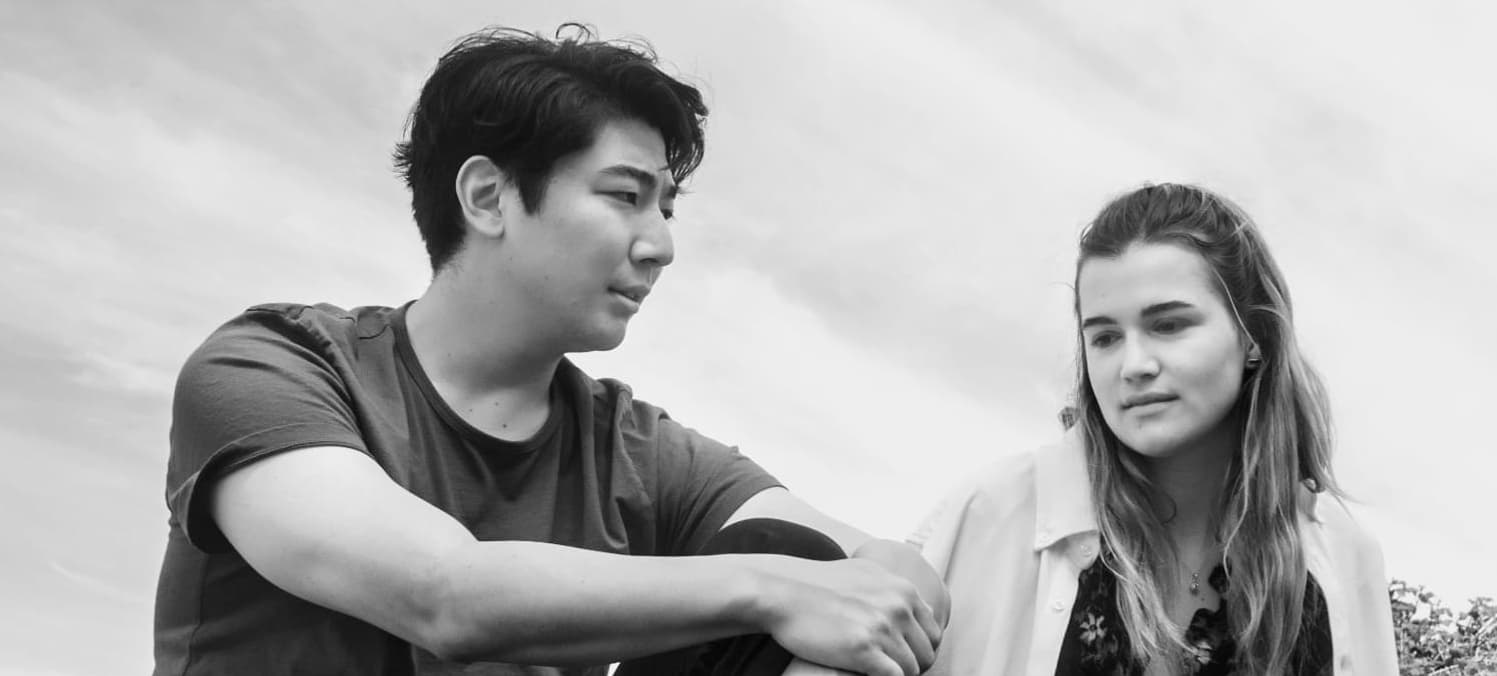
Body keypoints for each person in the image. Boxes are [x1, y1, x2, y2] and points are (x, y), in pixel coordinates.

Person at [154, 24, 945, 676]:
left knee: (802, 556)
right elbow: (445, 598)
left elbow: (878, 570)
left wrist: (873, 583)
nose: (661, 246)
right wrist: (772, 588)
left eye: (667, 209)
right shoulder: (275, 366)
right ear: (488, 198)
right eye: (625, 196)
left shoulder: (636, 451)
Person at [911, 183, 1397, 675]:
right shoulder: (993, 514)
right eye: (1106, 337)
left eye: (1168, 325)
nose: (1134, 365)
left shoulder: (1344, 554)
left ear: (1254, 336)